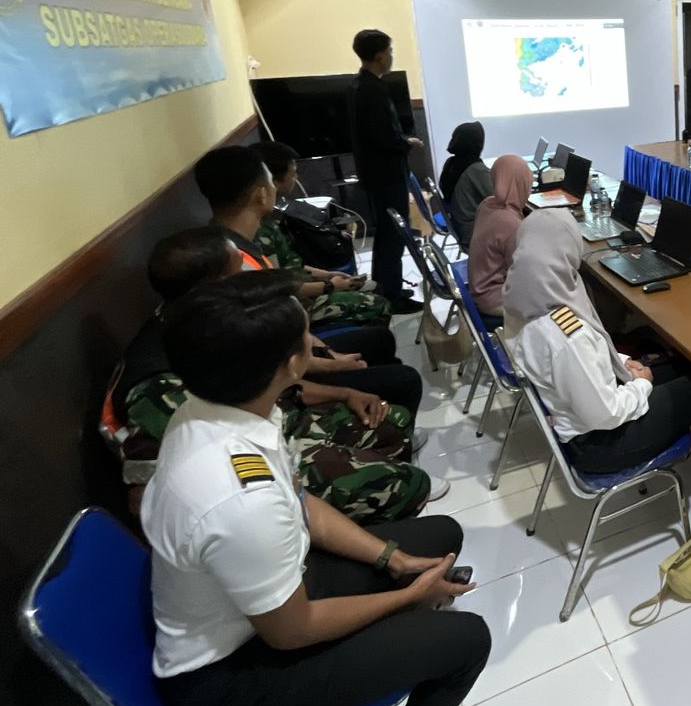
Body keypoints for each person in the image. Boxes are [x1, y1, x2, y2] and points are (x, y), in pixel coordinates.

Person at [145, 273, 489, 706]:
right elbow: (292, 631)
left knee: (441, 534)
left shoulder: (216, 407)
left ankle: (387, 689)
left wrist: (391, 558)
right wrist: (407, 596)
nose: (314, 344)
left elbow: (302, 502)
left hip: (260, 607)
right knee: (468, 640)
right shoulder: (237, 498)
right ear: (289, 364)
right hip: (233, 678)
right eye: (306, 338)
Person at [100, 228, 438, 524]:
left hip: (273, 426)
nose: (249, 279)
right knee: (405, 483)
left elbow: (268, 388)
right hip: (249, 473)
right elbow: (156, 493)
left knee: (393, 422)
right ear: (214, 286)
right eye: (238, 273)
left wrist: (343, 392)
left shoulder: (204, 323)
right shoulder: (160, 382)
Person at [194, 147, 423, 410]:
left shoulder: (234, 245)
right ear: (261, 193)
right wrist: (333, 363)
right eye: (270, 181)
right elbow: (276, 355)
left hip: (299, 345)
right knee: (405, 378)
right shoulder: (235, 263)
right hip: (290, 373)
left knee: (382, 341)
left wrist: (328, 352)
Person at [503, 213, 691, 466]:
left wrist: (620, 361)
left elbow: (576, 360)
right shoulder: (566, 334)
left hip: (582, 411)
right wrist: (641, 385)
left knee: (678, 365)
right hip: (601, 443)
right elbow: (605, 413)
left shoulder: (523, 298)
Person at [251, 140, 390, 325]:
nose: (296, 178)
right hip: (294, 308)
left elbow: (292, 267)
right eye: (293, 174)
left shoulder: (269, 222)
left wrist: (327, 275)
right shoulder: (260, 232)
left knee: (374, 286)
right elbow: (282, 287)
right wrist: (329, 285)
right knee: (378, 303)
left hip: (301, 289)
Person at [347, 29, 424, 313]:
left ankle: (387, 287)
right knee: (393, 235)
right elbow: (384, 137)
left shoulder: (358, 84)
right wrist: (407, 143)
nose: (392, 57)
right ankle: (392, 297)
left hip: (375, 174)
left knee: (386, 234)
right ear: (380, 56)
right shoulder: (373, 90)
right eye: (390, 52)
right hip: (386, 175)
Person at [467, 156, 533, 330]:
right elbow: (522, 271)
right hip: (494, 298)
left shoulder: (486, 204)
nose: (530, 188)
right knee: (553, 298)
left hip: (479, 286)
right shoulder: (510, 223)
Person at [438, 121, 492, 251]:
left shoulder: (451, 163)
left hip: (460, 226)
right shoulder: (476, 169)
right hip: (474, 233)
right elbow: (500, 196)